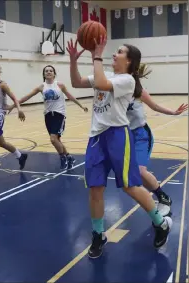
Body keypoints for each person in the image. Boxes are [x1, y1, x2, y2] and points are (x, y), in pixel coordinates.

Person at [67, 37, 172, 259]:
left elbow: (103, 85)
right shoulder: (105, 75)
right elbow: (76, 83)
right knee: (95, 188)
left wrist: (96, 54)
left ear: (129, 61)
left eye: (120, 52)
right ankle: (98, 234)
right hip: (96, 138)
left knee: (130, 186)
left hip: (117, 135)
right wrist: (73, 61)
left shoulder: (127, 80)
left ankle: (160, 223)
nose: (114, 54)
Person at [127, 63, 188, 216]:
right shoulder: (115, 90)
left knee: (140, 171)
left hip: (141, 135)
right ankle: (154, 195)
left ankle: (162, 196)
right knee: (131, 174)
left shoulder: (138, 91)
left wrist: (174, 112)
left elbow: (155, 106)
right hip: (125, 135)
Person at [9, 65, 88, 170]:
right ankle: (70, 157)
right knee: (57, 140)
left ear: (54, 74)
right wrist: (13, 105)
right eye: (46, 71)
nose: (49, 72)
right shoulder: (41, 87)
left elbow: (70, 96)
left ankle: (63, 158)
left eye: (51, 71)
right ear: (44, 74)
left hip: (59, 114)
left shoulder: (60, 85)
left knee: (53, 139)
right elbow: (26, 97)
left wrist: (81, 105)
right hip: (48, 115)